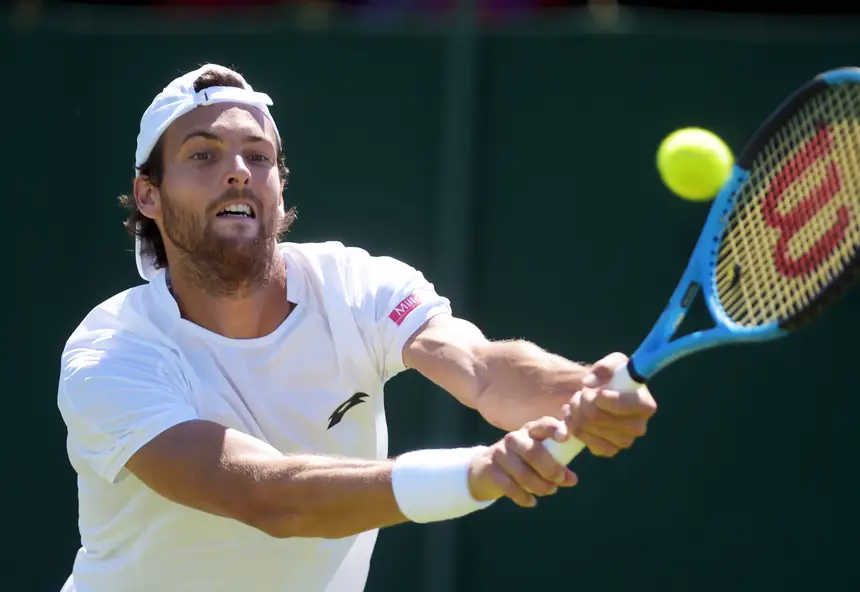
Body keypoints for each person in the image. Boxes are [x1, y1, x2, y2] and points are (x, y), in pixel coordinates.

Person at [57, 64, 657, 592]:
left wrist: (584, 391)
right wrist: (478, 473)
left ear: (279, 183)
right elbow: (269, 497)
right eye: (203, 154)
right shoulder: (112, 352)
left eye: (258, 155)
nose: (238, 171)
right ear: (148, 197)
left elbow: (482, 369)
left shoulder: (357, 284)